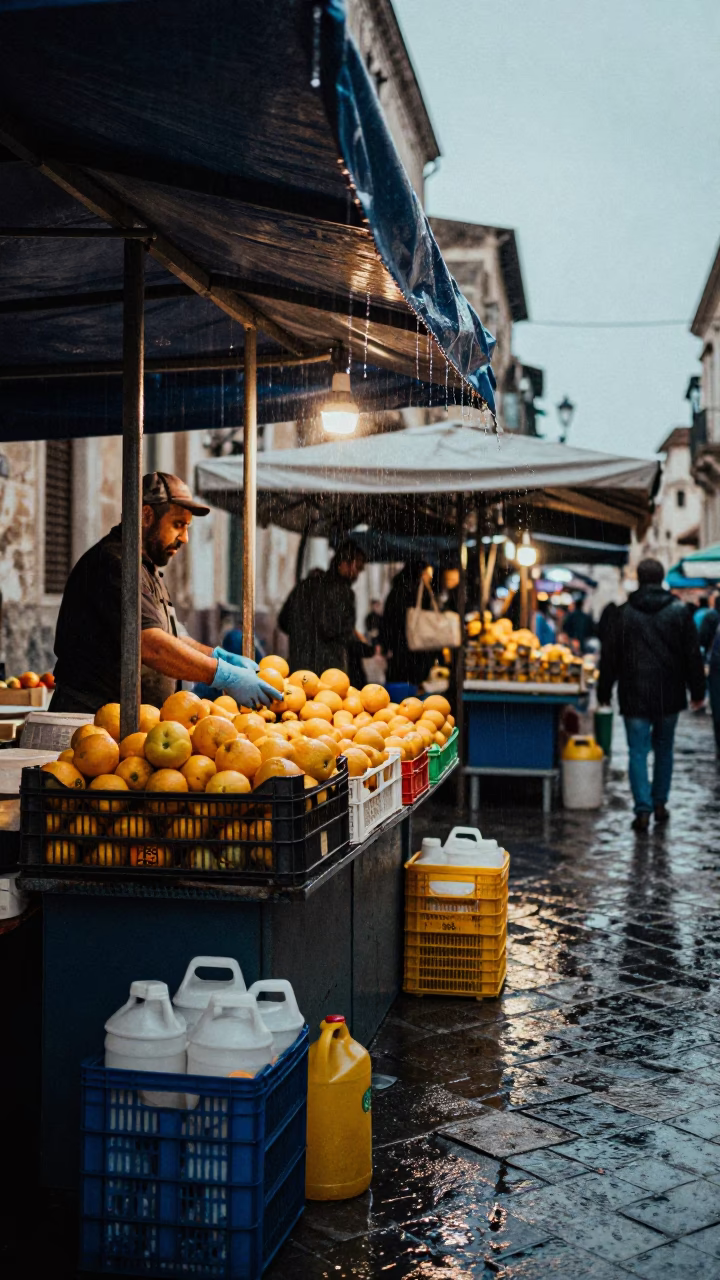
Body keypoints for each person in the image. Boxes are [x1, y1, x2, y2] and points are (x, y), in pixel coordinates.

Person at [51, 472, 276, 714]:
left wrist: (217, 656)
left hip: (126, 726)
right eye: (178, 525)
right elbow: (152, 645)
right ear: (146, 515)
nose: (185, 538)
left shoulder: (145, 568)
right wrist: (222, 675)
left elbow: (170, 635)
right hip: (89, 725)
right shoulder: (114, 564)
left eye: (187, 527)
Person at [598, 557, 706, 832]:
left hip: (633, 693)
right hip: (669, 693)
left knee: (637, 751)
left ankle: (643, 809)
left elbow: (610, 657)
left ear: (639, 578)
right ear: (661, 579)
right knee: (664, 749)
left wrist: (603, 690)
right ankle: (660, 804)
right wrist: (697, 691)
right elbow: (692, 656)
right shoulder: (680, 612)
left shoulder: (622, 613)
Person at [278, 541, 367, 676]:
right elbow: (343, 633)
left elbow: (283, 621)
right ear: (344, 563)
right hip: (329, 673)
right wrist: (367, 649)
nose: (357, 574)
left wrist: (302, 635)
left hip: (299, 668)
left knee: (298, 697)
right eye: (358, 567)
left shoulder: (304, 586)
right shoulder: (344, 593)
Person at [381, 561, 437, 687]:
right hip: (417, 647)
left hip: (398, 647)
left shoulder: (395, 590)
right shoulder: (420, 592)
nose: (429, 576)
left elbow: (386, 621)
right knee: (415, 684)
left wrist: (386, 645)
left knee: (399, 683)